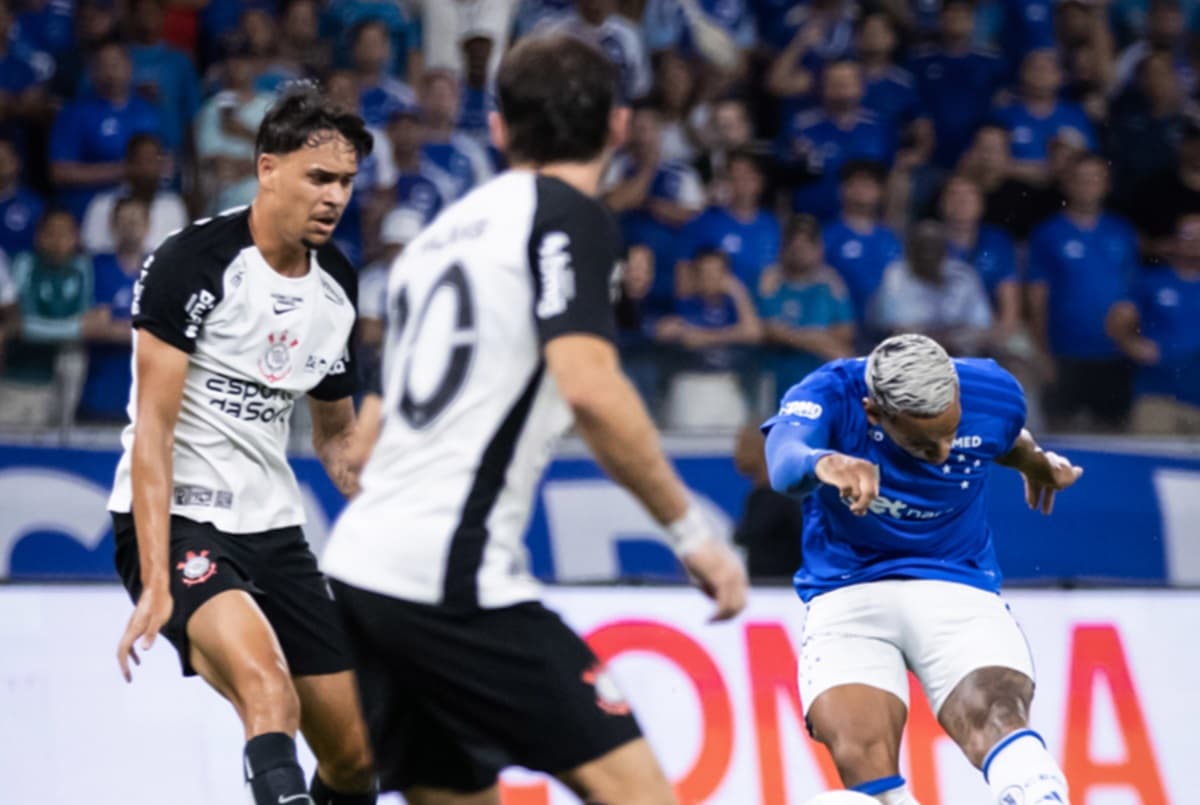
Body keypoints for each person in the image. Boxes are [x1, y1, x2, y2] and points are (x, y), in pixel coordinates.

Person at [321, 35, 747, 805]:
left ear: (497, 129)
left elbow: (367, 439)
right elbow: (590, 387)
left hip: (362, 571)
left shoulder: (429, 245)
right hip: (449, 581)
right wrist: (694, 537)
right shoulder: (568, 216)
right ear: (618, 128)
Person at [108, 86, 378, 805]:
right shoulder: (193, 263)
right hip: (180, 521)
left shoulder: (338, 289)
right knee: (269, 692)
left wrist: (394, 497)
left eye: (346, 182)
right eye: (319, 177)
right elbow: (153, 432)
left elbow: (335, 437)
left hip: (273, 529)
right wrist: (158, 575)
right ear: (267, 168)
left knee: (355, 754)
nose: (335, 197)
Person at [763, 333, 1082, 805]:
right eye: (922, 441)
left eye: (951, 431)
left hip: (958, 585)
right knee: (860, 759)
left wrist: (1035, 464)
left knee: (997, 717)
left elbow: (1004, 438)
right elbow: (785, 462)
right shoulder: (829, 393)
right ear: (874, 412)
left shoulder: (993, 389)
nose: (943, 452)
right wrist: (823, 462)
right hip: (849, 595)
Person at [1028, 153, 1139, 430]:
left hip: (1113, 354)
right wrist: (1042, 353)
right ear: (1067, 183)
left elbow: (1133, 295)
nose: (1088, 185)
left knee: (1113, 437)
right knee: (1060, 442)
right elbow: (1036, 299)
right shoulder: (1048, 233)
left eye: (1095, 178)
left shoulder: (1123, 232)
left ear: (1106, 184)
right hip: (1064, 354)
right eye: (1081, 179)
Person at [48, 38, 163, 221]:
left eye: (116, 64)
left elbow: (162, 158)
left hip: (140, 212)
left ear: (129, 66)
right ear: (92, 71)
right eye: (103, 65)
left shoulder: (146, 111)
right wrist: (122, 170)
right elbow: (59, 171)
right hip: (86, 211)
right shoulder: (74, 113)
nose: (110, 72)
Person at [1106, 212, 1200, 434]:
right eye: (1189, 236)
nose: (1195, 243)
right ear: (1174, 241)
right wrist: (1131, 344)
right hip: (1158, 396)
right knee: (1149, 460)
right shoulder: (1151, 281)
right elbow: (1116, 320)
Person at [0, 208, 91, 429]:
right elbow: (23, 324)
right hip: (16, 376)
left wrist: (79, 329)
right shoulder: (25, 264)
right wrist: (76, 328)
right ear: (38, 236)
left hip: (57, 379)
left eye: (65, 234)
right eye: (51, 233)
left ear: (76, 237)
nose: (58, 241)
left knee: (74, 357)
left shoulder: (82, 267)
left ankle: (66, 425)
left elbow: (85, 319)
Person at [656, 247, 763, 430]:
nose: (711, 278)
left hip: (728, 383)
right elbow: (669, 332)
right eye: (705, 273)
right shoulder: (684, 305)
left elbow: (754, 333)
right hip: (692, 385)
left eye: (717, 272)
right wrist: (733, 334)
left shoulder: (733, 308)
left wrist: (738, 292)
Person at [758, 214, 855, 400]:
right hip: (777, 385)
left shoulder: (831, 285)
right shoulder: (769, 282)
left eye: (807, 245)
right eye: (794, 245)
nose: (799, 251)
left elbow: (845, 333)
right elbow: (768, 330)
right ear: (783, 248)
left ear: (819, 248)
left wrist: (792, 336)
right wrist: (816, 340)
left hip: (822, 387)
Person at [869, 220, 994, 356]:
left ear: (945, 250)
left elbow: (982, 328)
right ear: (910, 249)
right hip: (909, 357)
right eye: (922, 246)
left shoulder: (964, 275)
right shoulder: (895, 275)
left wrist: (948, 339)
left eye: (934, 246)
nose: (928, 252)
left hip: (960, 356)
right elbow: (895, 329)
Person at [77, 197, 149, 422]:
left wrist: (114, 326)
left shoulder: (162, 269)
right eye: (124, 220)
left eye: (136, 220)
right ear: (112, 225)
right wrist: (143, 329)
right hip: (98, 394)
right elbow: (92, 328)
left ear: (148, 225)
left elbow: (166, 333)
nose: (130, 226)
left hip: (146, 400)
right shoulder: (95, 265)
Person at [822, 160, 903, 328]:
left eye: (869, 184)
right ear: (842, 190)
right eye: (855, 184)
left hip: (884, 327)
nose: (862, 190)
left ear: (881, 192)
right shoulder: (828, 236)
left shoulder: (891, 238)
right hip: (841, 325)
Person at [81, 133, 188, 255]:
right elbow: (92, 255)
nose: (146, 169)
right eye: (140, 161)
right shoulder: (102, 205)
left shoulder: (173, 207)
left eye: (152, 161)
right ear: (128, 164)